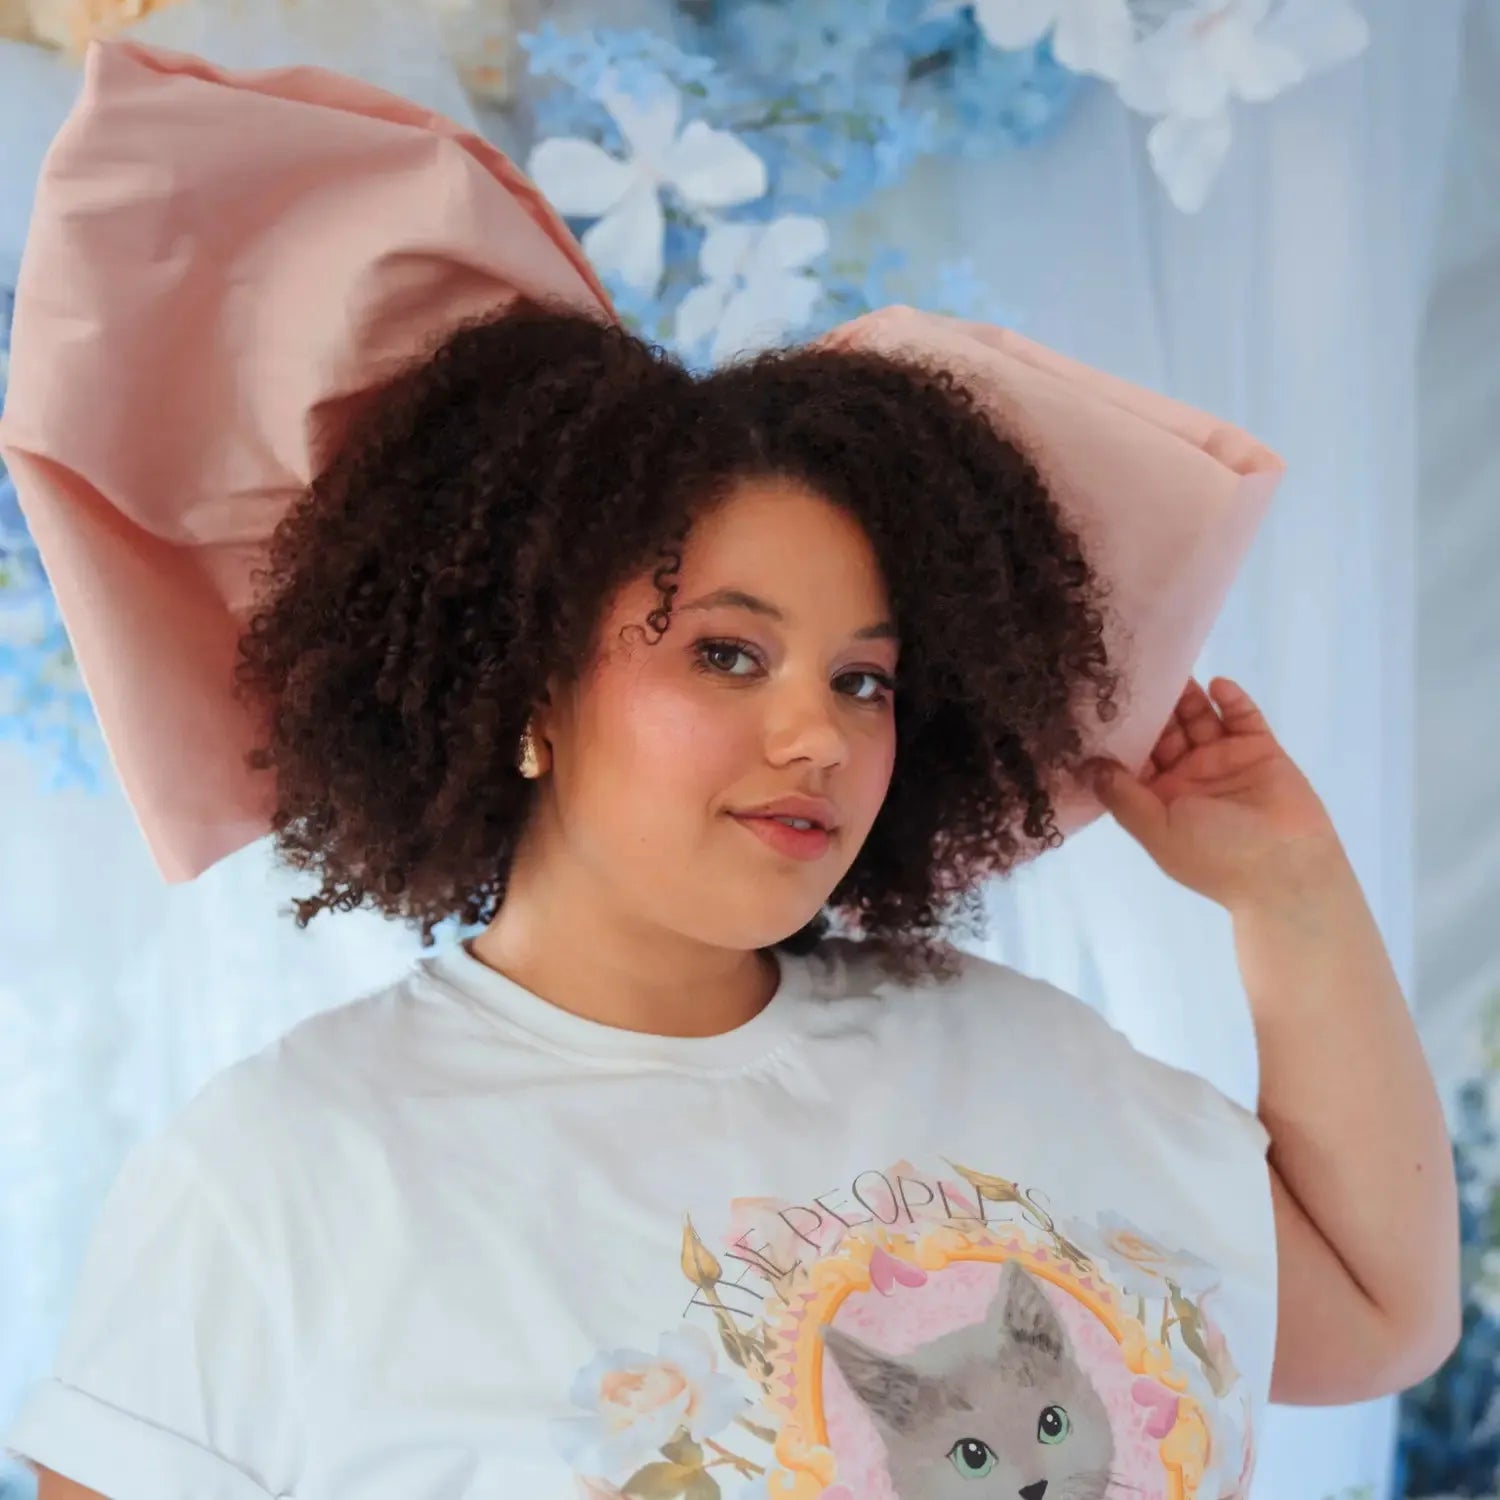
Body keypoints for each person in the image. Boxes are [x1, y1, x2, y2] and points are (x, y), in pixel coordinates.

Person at [3, 43, 1459, 1500]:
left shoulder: (1022, 1056)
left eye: (864, 678)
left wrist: (1292, 894)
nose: (818, 734)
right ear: (529, 685)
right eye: (727, 654)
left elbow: (1380, 1318)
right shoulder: (288, 1176)